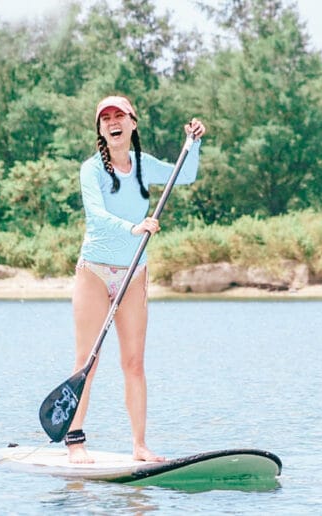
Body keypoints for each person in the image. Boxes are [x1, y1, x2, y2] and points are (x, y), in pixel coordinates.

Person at [64, 95, 205, 463]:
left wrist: (194, 142)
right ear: (100, 129)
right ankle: (75, 441)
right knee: (87, 362)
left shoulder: (144, 166)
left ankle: (140, 445)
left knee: (134, 363)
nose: (113, 121)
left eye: (119, 116)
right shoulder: (91, 170)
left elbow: (185, 174)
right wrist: (134, 227)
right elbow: (95, 217)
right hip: (94, 271)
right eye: (105, 118)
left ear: (132, 123)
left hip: (134, 273)